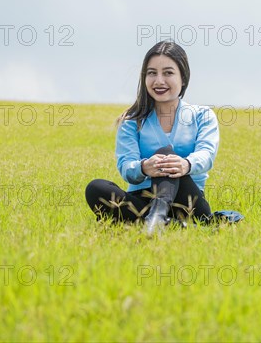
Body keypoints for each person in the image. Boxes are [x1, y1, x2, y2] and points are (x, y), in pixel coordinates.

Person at [85, 41, 219, 235]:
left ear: (183, 78)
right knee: (95, 188)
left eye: (168, 73)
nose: (159, 81)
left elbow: (207, 154)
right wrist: (144, 167)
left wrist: (185, 165)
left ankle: (155, 219)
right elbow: (126, 165)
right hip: (141, 200)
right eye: (152, 73)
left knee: (166, 155)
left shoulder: (203, 116)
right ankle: (162, 222)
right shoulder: (132, 121)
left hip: (188, 202)